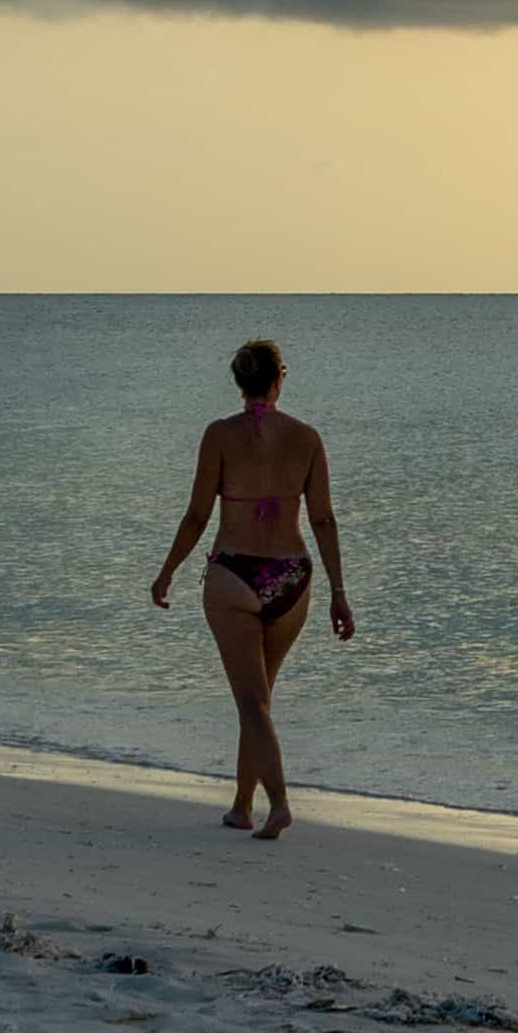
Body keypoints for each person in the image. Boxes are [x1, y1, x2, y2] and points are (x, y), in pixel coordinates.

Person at [148, 334, 347, 837]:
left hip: (234, 574)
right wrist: (339, 593)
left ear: (239, 381)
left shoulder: (219, 436)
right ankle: (241, 804)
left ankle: (278, 803)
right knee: (258, 697)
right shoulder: (307, 438)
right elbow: (323, 519)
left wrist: (168, 568)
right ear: (280, 378)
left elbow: (197, 514)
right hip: (292, 577)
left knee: (251, 700)